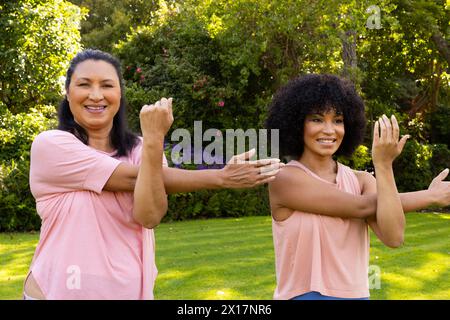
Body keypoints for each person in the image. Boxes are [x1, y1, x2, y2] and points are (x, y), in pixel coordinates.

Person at [24, 49, 283, 300]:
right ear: (68, 93)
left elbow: (149, 215)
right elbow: (135, 178)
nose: (95, 95)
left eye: (106, 85)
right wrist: (221, 177)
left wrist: (153, 140)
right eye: (84, 85)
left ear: (119, 94)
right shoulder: (52, 145)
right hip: (57, 291)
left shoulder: (142, 149)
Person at [265, 74, 450, 300]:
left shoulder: (362, 181)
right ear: (296, 123)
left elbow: (394, 238)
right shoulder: (284, 179)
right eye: (316, 119)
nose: (329, 129)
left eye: (338, 120)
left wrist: (383, 166)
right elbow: (362, 207)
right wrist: (430, 196)